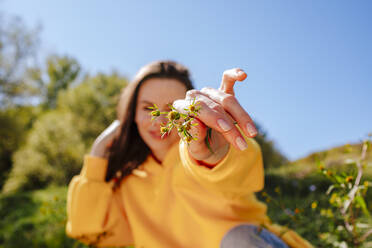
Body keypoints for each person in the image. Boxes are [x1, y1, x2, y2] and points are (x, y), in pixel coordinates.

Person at [65, 60, 313, 248]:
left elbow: (241, 169)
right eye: (147, 108)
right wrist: (98, 155)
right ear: (130, 115)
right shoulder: (128, 182)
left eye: (171, 109)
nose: (160, 120)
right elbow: (89, 231)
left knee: (238, 239)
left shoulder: (194, 152)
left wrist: (217, 148)